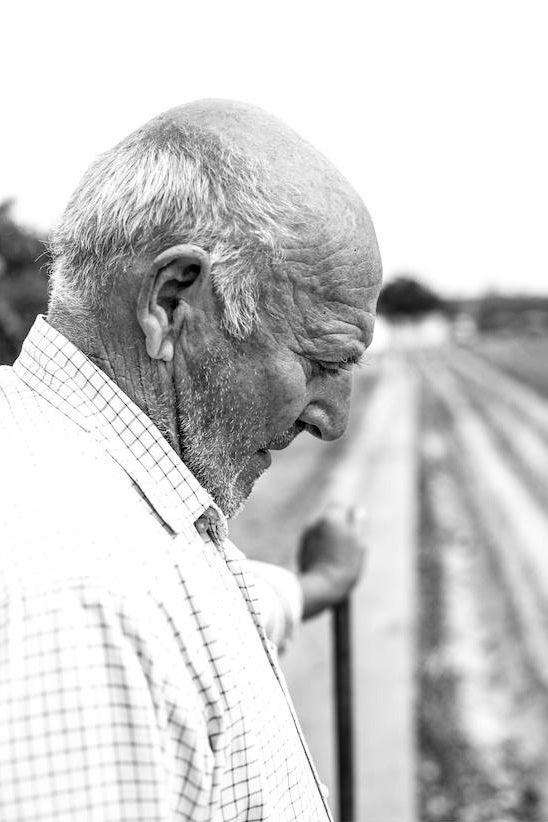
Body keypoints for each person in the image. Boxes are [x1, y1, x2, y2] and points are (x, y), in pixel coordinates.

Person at [0, 100, 382, 821]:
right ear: (173, 301)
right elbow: (133, 625)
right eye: (323, 360)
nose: (333, 420)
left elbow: (200, 631)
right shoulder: (83, 605)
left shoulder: (104, 496)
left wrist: (314, 586)